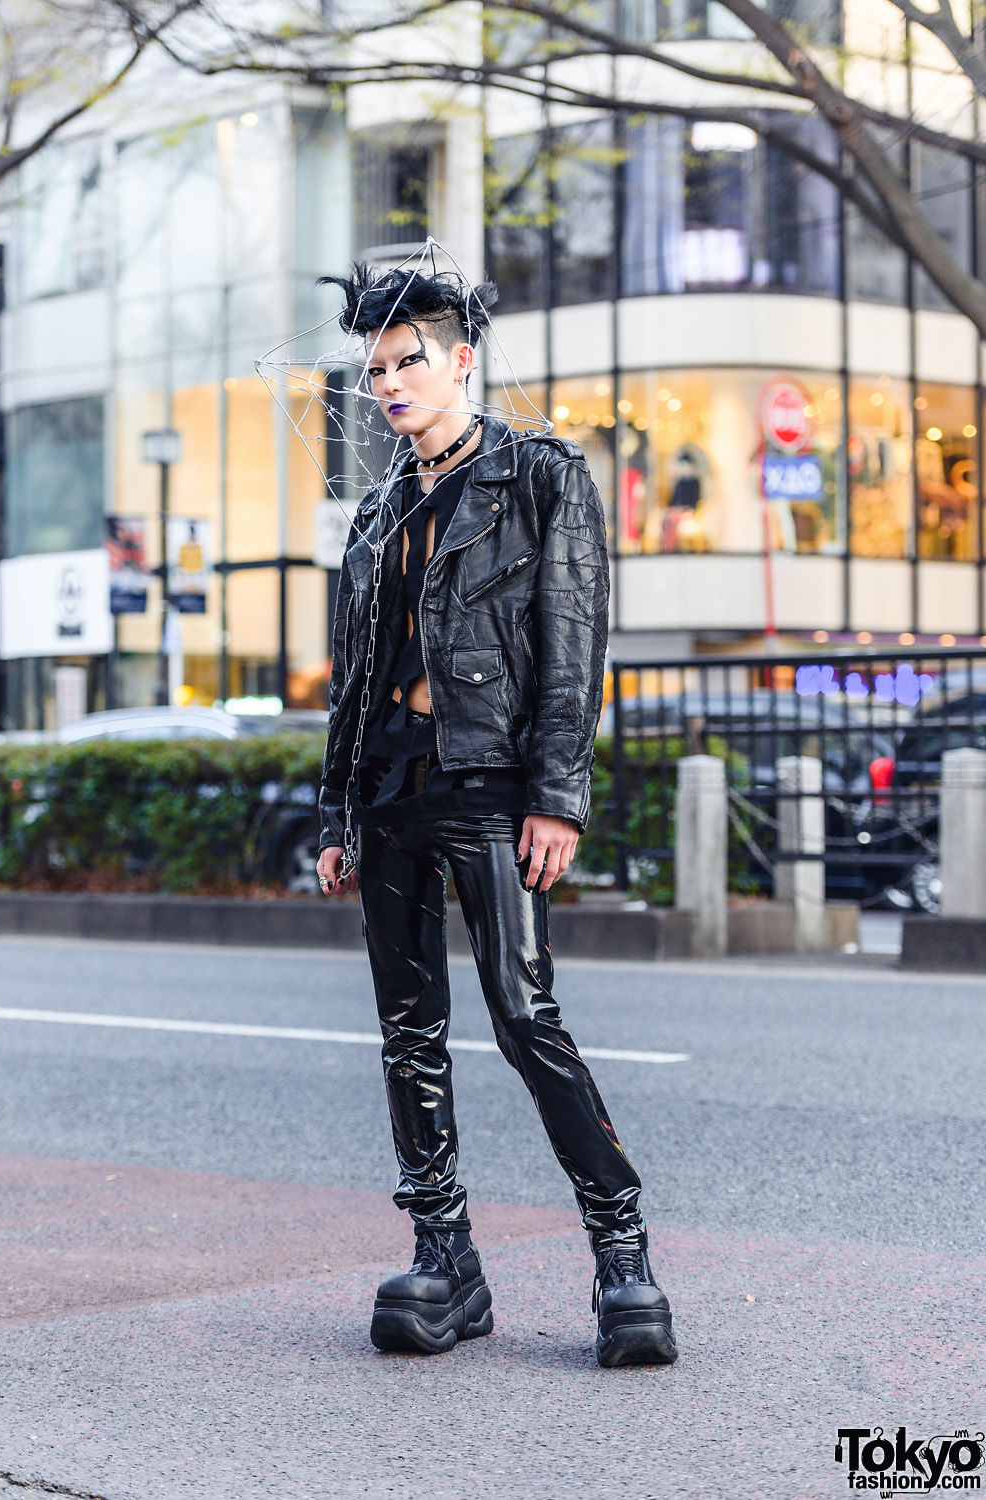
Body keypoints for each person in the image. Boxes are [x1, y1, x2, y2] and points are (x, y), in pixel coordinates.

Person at [314, 261, 677, 1370]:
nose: (386, 384)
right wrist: (338, 812)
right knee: (409, 1038)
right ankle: (445, 1263)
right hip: (390, 792)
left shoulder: (541, 476)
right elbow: (352, 673)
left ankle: (623, 1259)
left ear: (460, 359)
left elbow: (574, 642)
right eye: (372, 369)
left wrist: (556, 796)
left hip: (490, 786)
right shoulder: (376, 514)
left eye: (406, 361)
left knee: (524, 1018)